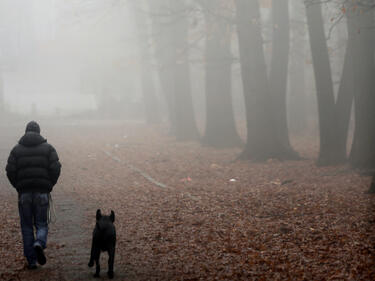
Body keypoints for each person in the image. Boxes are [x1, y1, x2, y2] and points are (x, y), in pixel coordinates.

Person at [6, 121, 61, 269]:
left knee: (26, 226)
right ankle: (39, 242)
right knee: (42, 223)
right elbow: (56, 167)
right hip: (42, 193)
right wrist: (49, 185)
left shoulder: (16, 150)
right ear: (39, 132)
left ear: (25, 132)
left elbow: (10, 171)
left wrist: (18, 186)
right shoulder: (48, 149)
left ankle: (31, 261)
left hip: (24, 194)